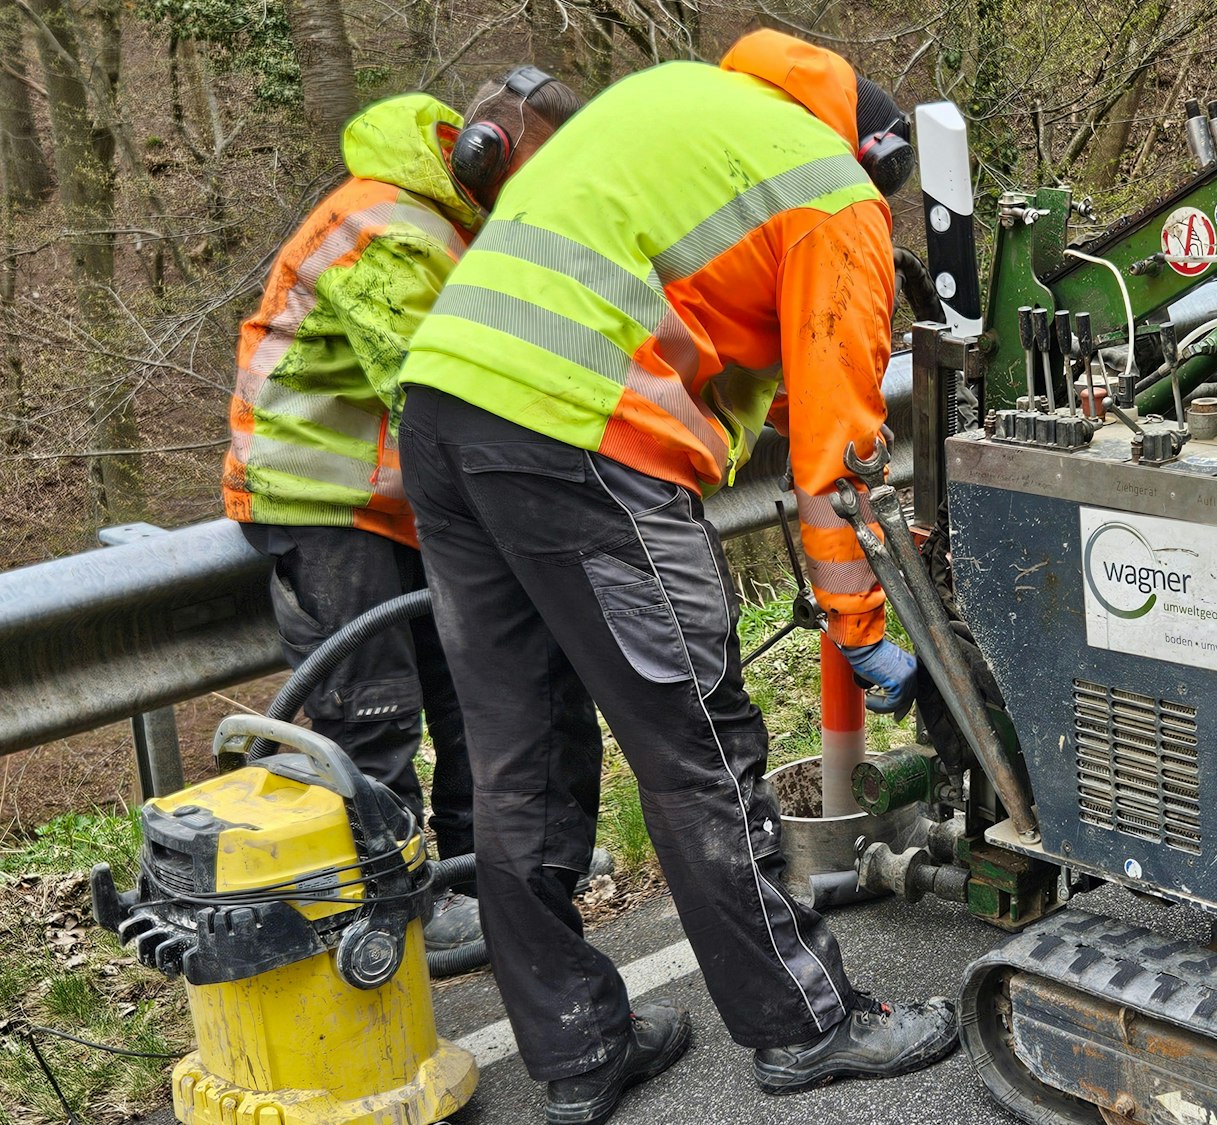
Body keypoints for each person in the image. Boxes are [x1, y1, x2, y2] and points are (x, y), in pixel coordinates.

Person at [396, 29, 950, 1124]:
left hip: (444, 410)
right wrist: (863, 630)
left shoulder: (683, 102)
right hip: (580, 430)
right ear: (873, 156)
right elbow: (834, 461)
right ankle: (804, 1024)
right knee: (698, 741)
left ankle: (578, 1048)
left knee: (517, 751)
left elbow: (710, 337)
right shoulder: (836, 197)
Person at [222, 70, 583, 958]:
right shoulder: (390, 228)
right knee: (373, 714)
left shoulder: (448, 225)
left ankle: (477, 881)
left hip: (399, 501)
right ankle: (395, 915)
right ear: (484, 154)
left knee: (466, 695)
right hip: (322, 498)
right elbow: (436, 391)